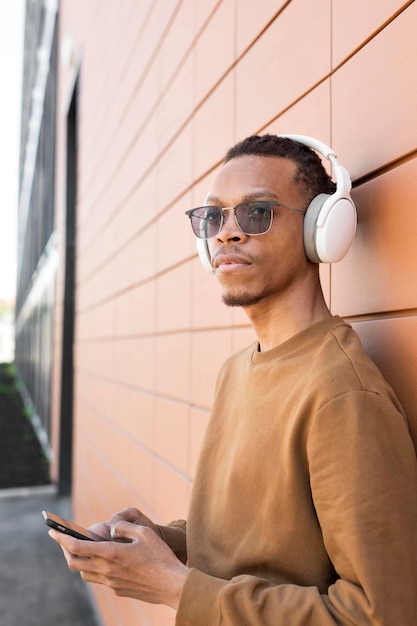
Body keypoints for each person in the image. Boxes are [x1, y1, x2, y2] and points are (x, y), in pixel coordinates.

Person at [49, 135, 417, 625]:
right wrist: (161, 545)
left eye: (256, 213)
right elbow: (253, 550)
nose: (226, 234)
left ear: (320, 230)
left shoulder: (342, 395)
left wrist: (177, 589)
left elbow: (381, 614)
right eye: (214, 217)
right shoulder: (236, 370)